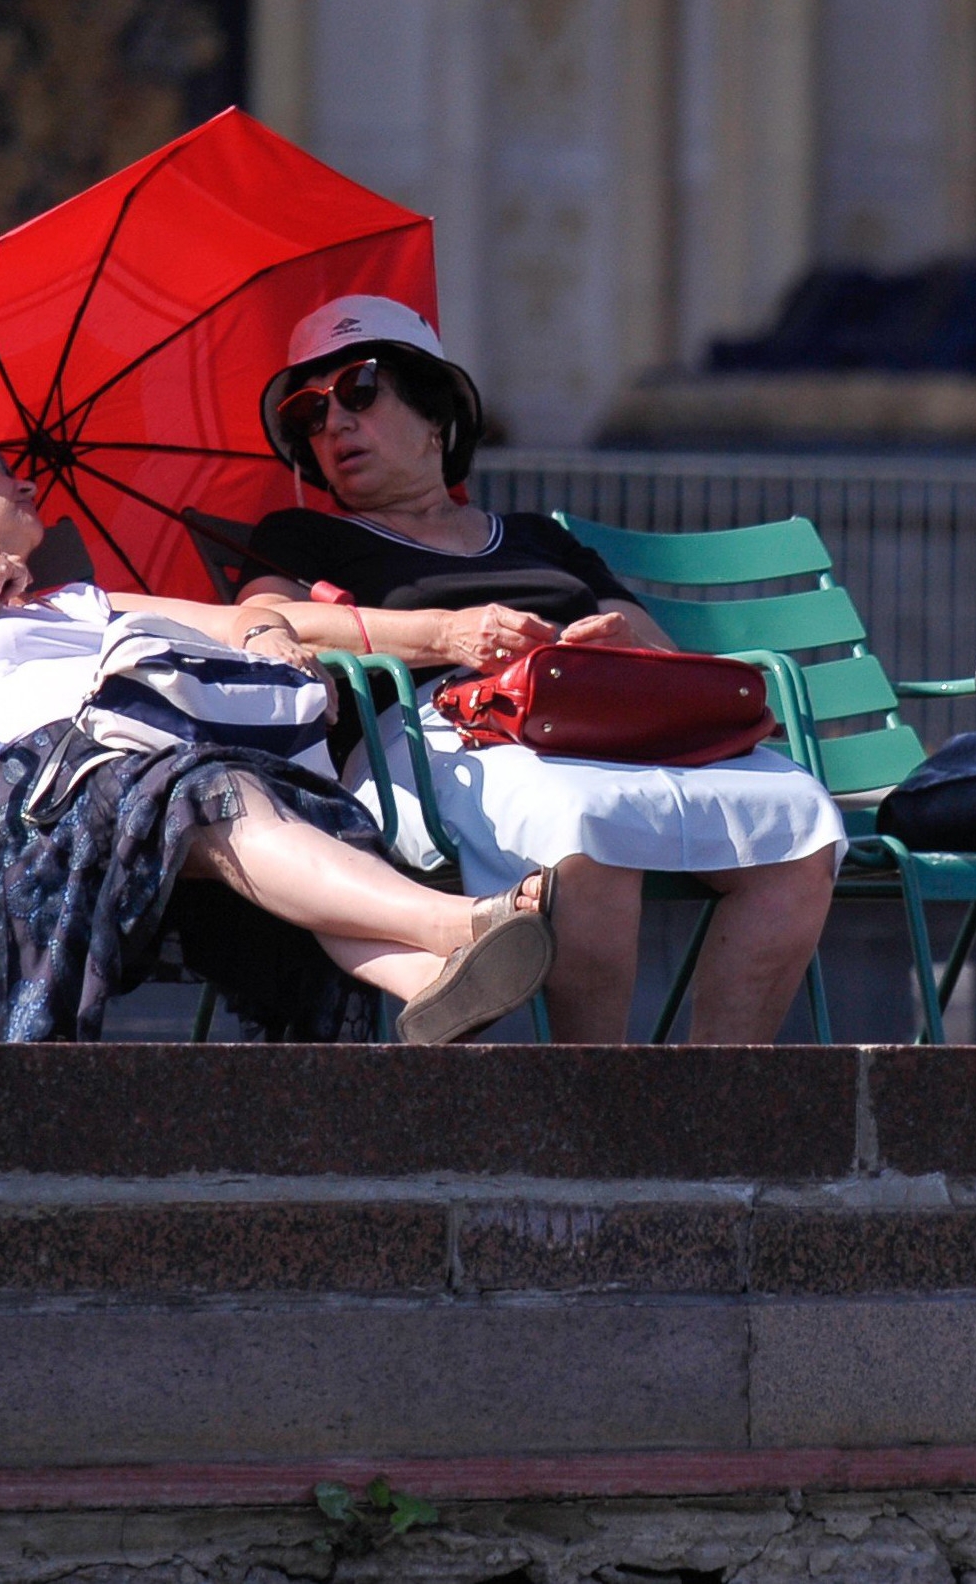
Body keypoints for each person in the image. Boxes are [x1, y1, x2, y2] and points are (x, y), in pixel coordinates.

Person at [0, 426, 553, 1044]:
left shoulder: (80, 599)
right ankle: (455, 922)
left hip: (150, 772)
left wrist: (275, 636)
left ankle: (430, 987)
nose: (24, 480)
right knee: (208, 793)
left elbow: (248, 617)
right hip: (14, 807)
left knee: (268, 798)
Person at [229, 297, 842, 1045]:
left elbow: (655, 648)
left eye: (357, 391)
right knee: (584, 822)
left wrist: (611, 643)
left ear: (434, 416)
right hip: (436, 738)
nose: (332, 424)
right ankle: (594, 1104)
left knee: (797, 819)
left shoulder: (532, 537)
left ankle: (717, 1096)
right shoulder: (304, 536)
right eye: (307, 415)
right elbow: (264, 621)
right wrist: (446, 635)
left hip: (595, 717)